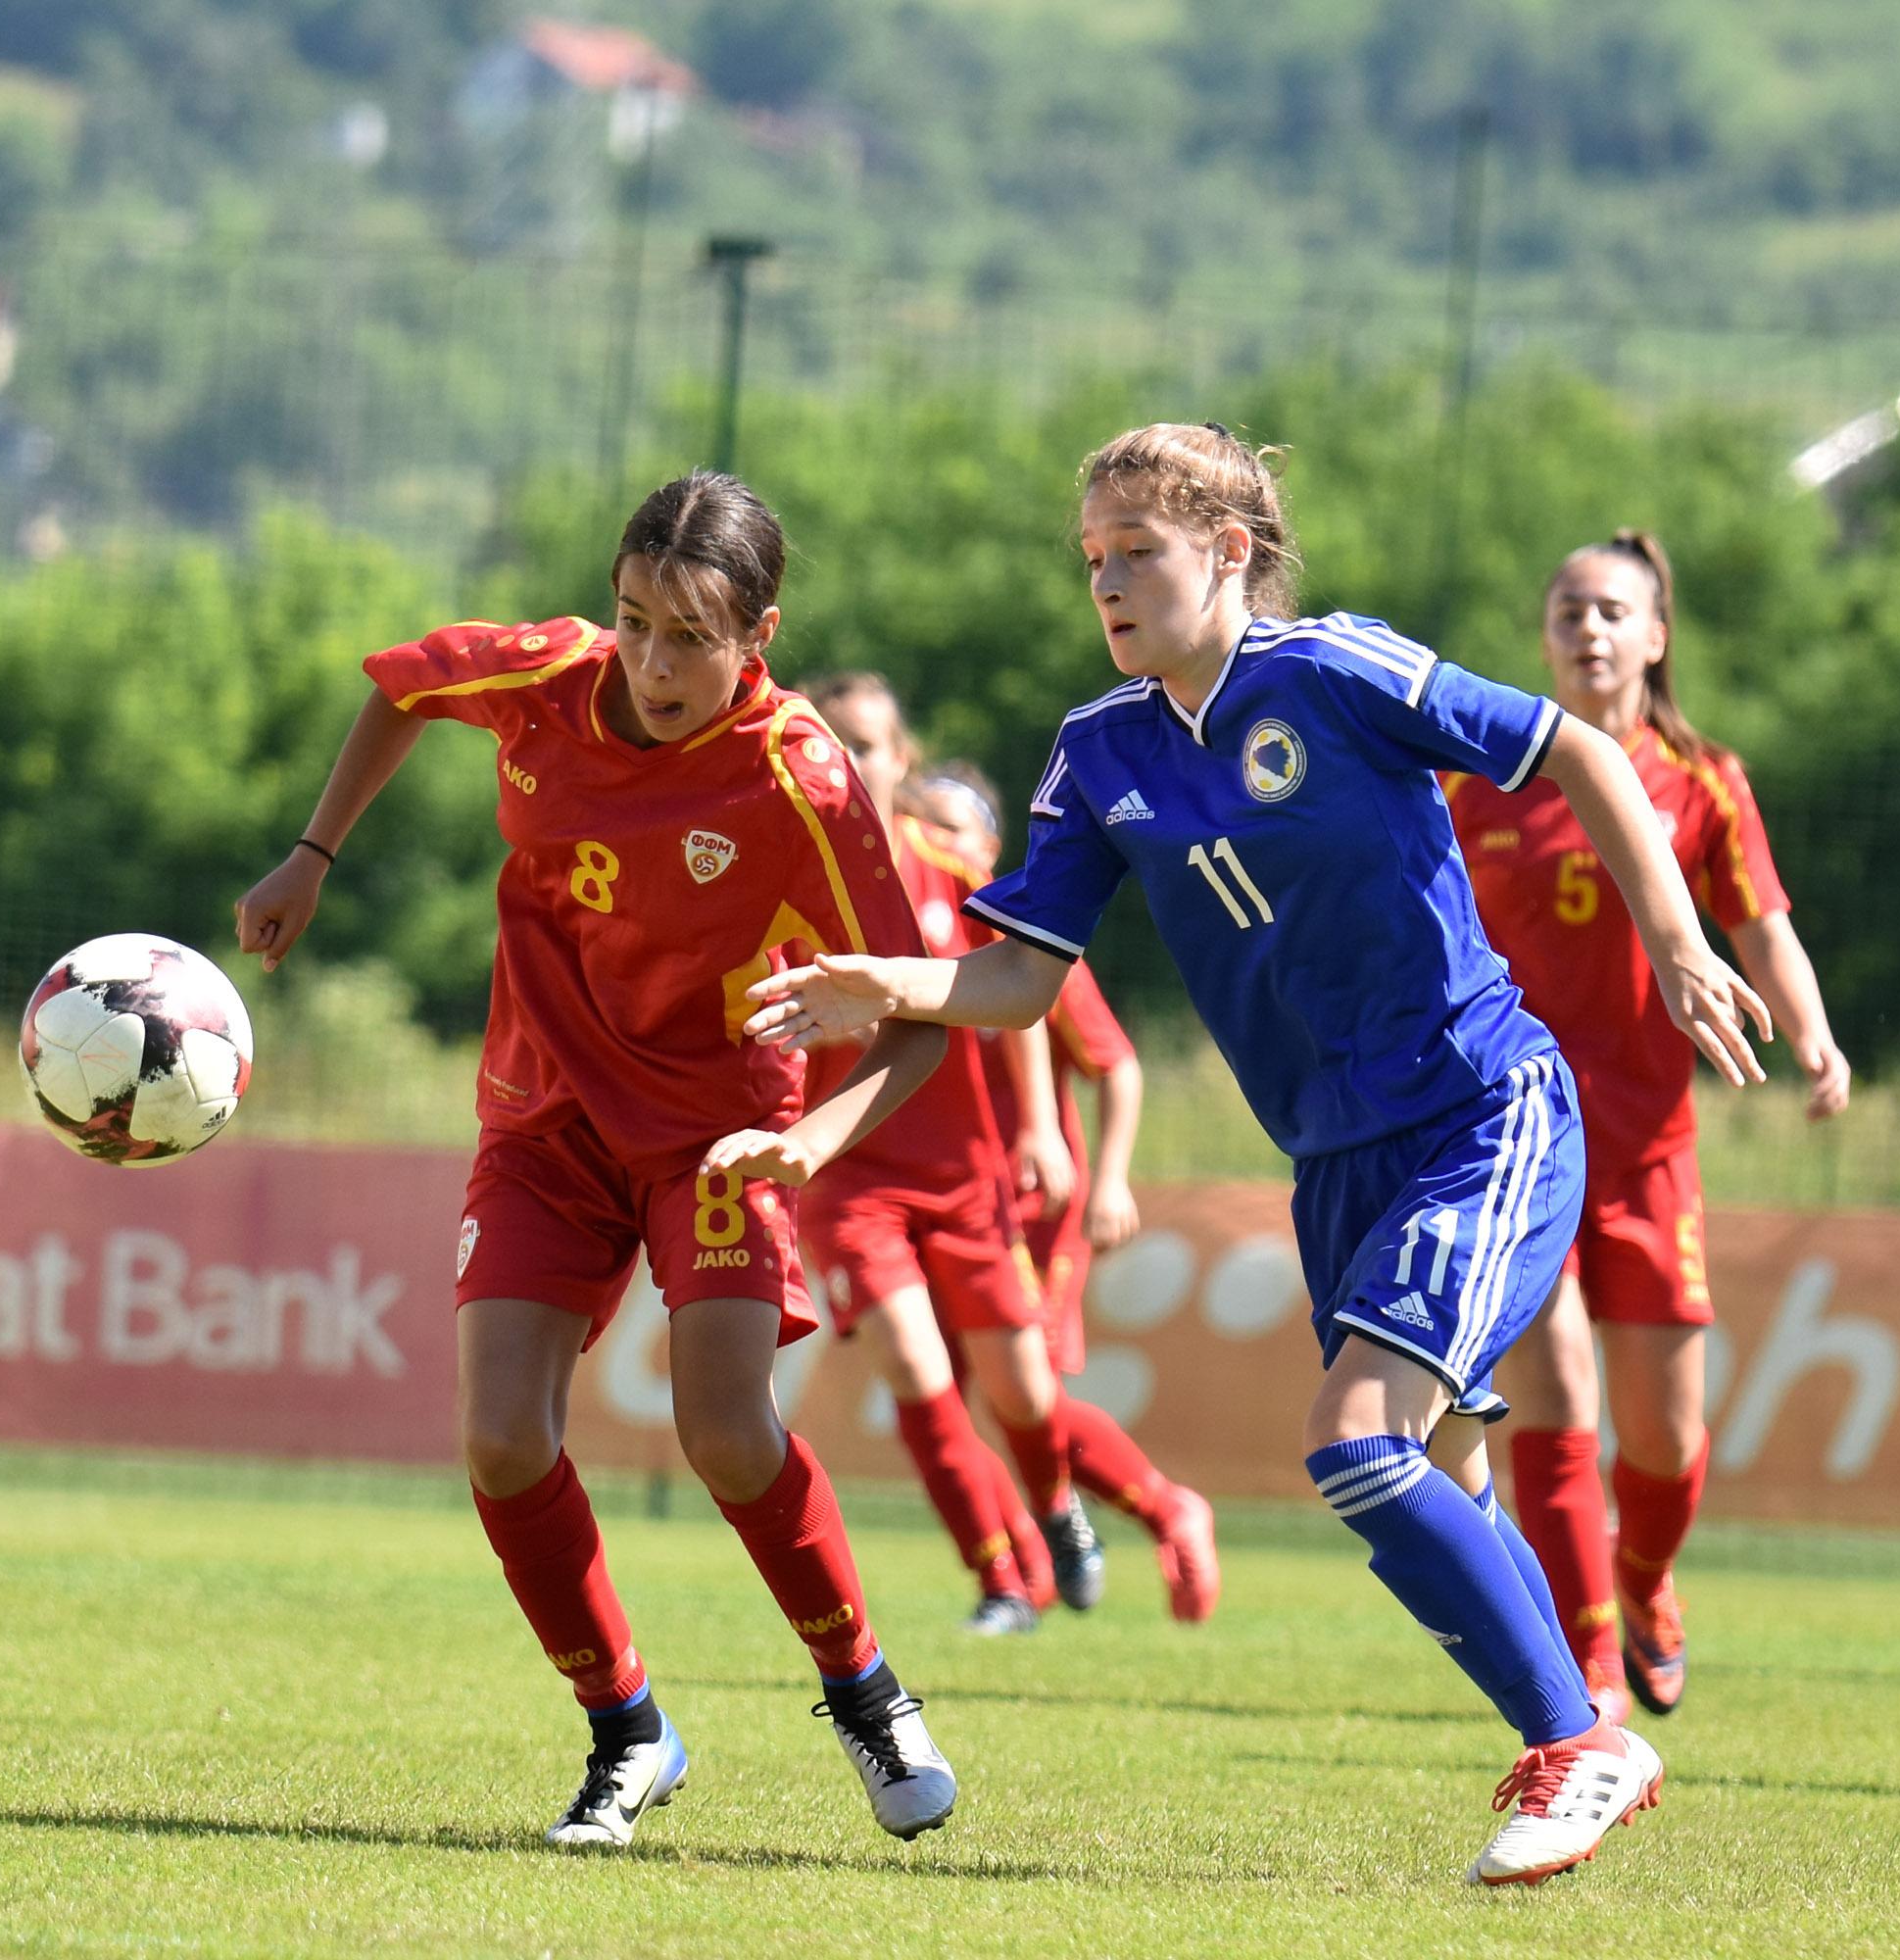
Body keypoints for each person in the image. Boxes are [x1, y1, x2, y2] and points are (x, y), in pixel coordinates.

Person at [743, 422, 1775, 1885]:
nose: (1107, 583)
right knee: (1449, 1466)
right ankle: (1584, 1722)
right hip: (1335, 1161)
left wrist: (1677, 944)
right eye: (1092, 558)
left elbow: (1579, 748)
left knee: (1357, 1445)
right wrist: (888, 984)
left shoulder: (1336, 670)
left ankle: (1577, 1743)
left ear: (1230, 553)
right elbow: (1018, 982)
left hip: (1482, 1110)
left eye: (1138, 552)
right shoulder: (1100, 753)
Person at [231, 471, 959, 1850]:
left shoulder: (800, 776)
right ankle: (628, 1733)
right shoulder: (550, 678)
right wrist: (312, 853)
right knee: (503, 1439)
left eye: (691, 635)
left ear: (760, 634)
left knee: (726, 1433)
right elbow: (400, 688)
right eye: (635, 622)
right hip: (544, 1113)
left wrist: (806, 1139)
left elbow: (924, 1016)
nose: (653, 662)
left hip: (716, 1134)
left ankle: (862, 1689)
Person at [1446, 531, 1850, 1723]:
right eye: (1568, 607)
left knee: (1668, 1439)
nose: (1588, 628)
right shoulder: (1484, 773)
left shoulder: (1703, 778)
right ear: (1545, 632)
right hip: (1515, 1137)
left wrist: (1811, 1032)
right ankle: (1590, 1667)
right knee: (1555, 1381)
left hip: (1648, 1148)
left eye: (1613, 610)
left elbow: (1761, 923)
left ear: (1655, 637)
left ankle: (1646, 1575)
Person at [798, 674, 1213, 1634]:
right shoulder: (789, 872)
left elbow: (1033, 1006)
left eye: (868, 743)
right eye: (829, 743)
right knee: (916, 1370)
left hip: (977, 1181)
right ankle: (1003, 1577)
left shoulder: (953, 874)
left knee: (1019, 1390)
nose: (849, 763)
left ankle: (1072, 1510)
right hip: (853, 1175)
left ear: (901, 761)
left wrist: (1042, 1130)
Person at [933, 764, 1222, 1622]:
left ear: (988, 847)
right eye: (923, 829)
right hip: (950, 1205)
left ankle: (1159, 1509)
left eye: (952, 831)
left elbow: (1115, 1061)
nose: (934, 847)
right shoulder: (912, 941)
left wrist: (1109, 1174)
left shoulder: (1024, 939)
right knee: (944, 1398)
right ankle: (1022, 1568)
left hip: (1029, 1211)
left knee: (1027, 1396)